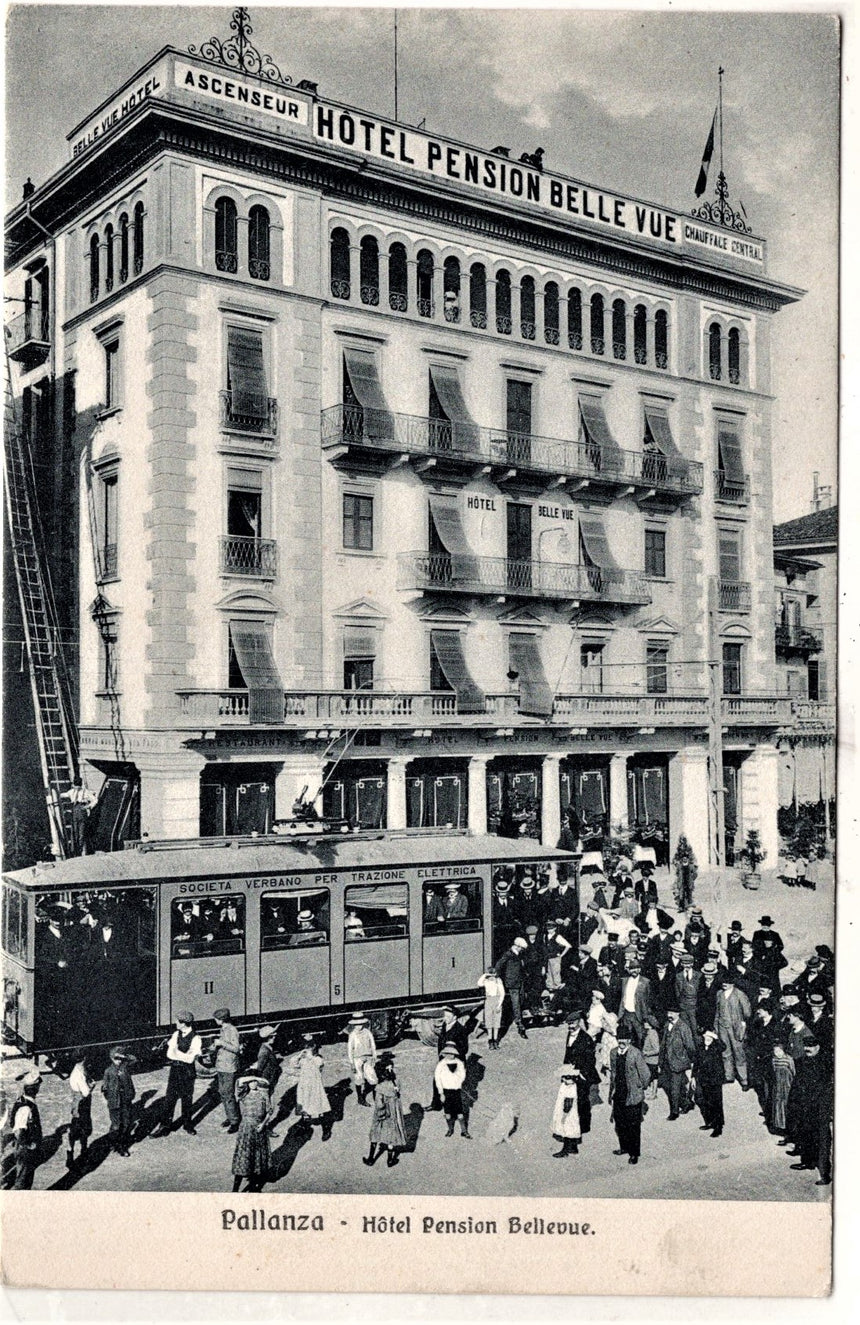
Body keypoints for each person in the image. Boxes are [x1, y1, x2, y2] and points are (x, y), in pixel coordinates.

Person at [789, 1038, 833, 1185]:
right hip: (804, 1106)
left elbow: (828, 1087)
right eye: (806, 1046)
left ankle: (825, 1174)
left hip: (820, 1108)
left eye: (811, 1046)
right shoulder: (801, 1061)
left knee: (822, 1140)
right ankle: (807, 1162)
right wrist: (793, 1102)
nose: (808, 1048)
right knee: (805, 1134)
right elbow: (796, 1083)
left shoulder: (826, 1063)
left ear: (818, 1047)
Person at [153, 1012, 202, 1136]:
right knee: (170, 1098)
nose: (175, 1023)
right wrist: (181, 1055)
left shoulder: (196, 1038)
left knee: (187, 1099)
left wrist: (176, 1053)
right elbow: (169, 1054)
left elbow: (190, 1059)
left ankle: (188, 1125)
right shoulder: (176, 1034)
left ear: (184, 1023)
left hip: (187, 1072)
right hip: (175, 1070)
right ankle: (164, 1126)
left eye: (178, 1021)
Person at [608, 1025, 651, 1165]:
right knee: (620, 1124)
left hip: (632, 1095)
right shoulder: (613, 1053)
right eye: (619, 1038)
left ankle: (634, 1153)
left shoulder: (635, 1053)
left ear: (629, 1040)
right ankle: (624, 1147)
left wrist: (640, 1087)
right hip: (619, 1094)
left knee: (633, 1126)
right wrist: (611, 1092)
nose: (622, 1041)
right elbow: (613, 1073)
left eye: (625, 1038)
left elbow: (646, 1074)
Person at [231, 1074, 274, 1193]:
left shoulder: (263, 1094)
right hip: (246, 1128)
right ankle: (235, 1189)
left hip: (260, 1128)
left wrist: (263, 1124)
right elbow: (239, 1082)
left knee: (257, 1157)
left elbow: (269, 1112)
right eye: (251, 1082)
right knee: (244, 1155)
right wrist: (250, 1077)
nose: (253, 1084)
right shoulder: (243, 1095)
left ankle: (255, 1186)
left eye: (255, 1082)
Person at [562, 1008, 600, 1138]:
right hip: (572, 1072)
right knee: (572, 1098)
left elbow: (591, 1059)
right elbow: (567, 1053)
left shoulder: (586, 1038)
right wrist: (565, 1070)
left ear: (578, 1022)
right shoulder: (570, 1034)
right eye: (569, 1024)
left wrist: (582, 1073)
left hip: (583, 1074)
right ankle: (575, 1122)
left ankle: (584, 1126)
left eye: (572, 1024)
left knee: (583, 1100)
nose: (570, 1026)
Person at [364, 1060, 407, 1167]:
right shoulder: (396, 1083)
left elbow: (379, 1104)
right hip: (394, 1113)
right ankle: (390, 1160)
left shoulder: (380, 1088)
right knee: (391, 1136)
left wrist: (381, 1114)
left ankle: (371, 1158)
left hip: (383, 1114)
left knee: (376, 1134)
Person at [290, 1034, 332, 1140]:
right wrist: (299, 1056)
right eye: (305, 1047)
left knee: (319, 1108)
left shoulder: (318, 1059)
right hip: (304, 1086)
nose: (307, 1049)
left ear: (315, 1047)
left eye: (310, 1047)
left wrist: (310, 1057)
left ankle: (326, 1130)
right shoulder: (303, 1059)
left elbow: (318, 1064)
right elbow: (293, 1064)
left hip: (314, 1086)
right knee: (305, 1107)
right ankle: (304, 1128)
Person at [658, 1007, 696, 1119]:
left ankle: (674, 1112)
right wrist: (660, 1062)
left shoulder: (683, 1027)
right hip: (667, 1062)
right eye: (668, 1012)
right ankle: (686, 1104)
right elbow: (663, 1045)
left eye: (672, 1013)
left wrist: (691, 1061)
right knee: (670, 1086)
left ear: (678, 1014)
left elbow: (690, 1046)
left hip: (678, 1062)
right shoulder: (667, 1025)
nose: (669, 1015)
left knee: (674, 1088)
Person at [7, 1068, 43, 1189]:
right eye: (38, 1085)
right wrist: (27, 1145)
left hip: (24, 1147)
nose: (39, 1088)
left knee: (26, 1178)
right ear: (34, 1088)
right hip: (24, 1149)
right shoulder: (26, 1108)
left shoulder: (24, 1100)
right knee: (23, 1180)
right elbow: (18, 1130)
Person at [714, 978, 750, 1089]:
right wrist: (716, 1027)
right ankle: (729, 1076)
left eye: (727, 982)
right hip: (722, 1027)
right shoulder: (719, 994)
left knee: (739, 1052)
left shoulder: (740, 994)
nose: (724, 984)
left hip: (735, 1029)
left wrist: (741, 1024)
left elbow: (747, 1012)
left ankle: (744, 1079)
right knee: (725, 1052)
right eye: (723, 982)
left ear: (733, 983)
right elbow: (717, 1011)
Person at [210, 1008, 241, 1134]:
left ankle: (235, 1121)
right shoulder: (223, 1029)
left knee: (228, 1094)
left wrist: (221, 1043)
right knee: (223, 1093)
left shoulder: (232, 1030)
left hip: (229, 1067)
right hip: (222, 1066)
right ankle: (230, 1116)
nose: (215, 1021)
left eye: (216, 1019)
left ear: (222, 1019)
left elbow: (236, 1048)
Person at [102, 1045, 136, 1155]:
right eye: (116, 1059)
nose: (119, 1061)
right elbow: (104, 1087)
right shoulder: (108, 1071)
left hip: (125, 1100)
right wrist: (109, 1099)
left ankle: (121, 1145)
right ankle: (115, 1144)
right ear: (111, 1058)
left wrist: (123, 1055)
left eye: (121, 1059)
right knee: (116, 1125)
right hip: (114, 1102)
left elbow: (134, 1059)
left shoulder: (125, 1067)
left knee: (126, 1123)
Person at [494, 937, 530, 1038]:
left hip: (520, 981)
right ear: (517, 946)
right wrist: (495, 975)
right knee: (516, 1002)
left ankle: (517, 1017)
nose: (522, 950)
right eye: (521, 948)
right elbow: (499, 964)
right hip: (512, 982)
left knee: (521, 999)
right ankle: (519, 1023)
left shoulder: (518, 954)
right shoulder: (508, 954)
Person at [434, 1044, 471, 1138]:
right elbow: (437, 1078)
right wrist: (441, 1093)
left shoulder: (459, 1063)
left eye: (451, 1054)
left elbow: (462, 1075)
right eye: (447, 1053)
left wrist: (457, 1083)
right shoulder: (441, 1064)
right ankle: (450, 1129)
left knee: (460, 1112)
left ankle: (464, 1131)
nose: (449, 1055)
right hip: (446, 1091)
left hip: (456, 1091)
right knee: (448, 1112)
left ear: (454, 1054)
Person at [695, 1028, 726, 1137]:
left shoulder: (716, 1047)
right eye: (705, 1037)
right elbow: (696, 1063)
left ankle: (718, 1126)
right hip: (704, 1079)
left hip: (715, 1080)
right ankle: (710, 1122)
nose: (707, 1039)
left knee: (716, 1103)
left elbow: (723, 1046)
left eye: (709, 1038)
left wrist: (716, 1037)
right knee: (706, 1101)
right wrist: (693, 1077)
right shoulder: (700, 1047)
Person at [66, 1051, 95, 1168]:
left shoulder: (77, 1071)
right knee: (83, 1129)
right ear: (83, 1059)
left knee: (76, 1129)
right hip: (82, 1104)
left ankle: (72, 1155)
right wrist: (92, 1086)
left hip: (77, 1104)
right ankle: (82, 1155)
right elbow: (86, 1092)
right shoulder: (79, 1074)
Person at [617, 959, 652, 1047]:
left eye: (636, 968)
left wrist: (646, 1015)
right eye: (632, 968)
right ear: (628, 970)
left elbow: (648, 999)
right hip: (626, 1013)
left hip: (638, 1014)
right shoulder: (624, 981)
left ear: (640, 969)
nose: (634, 971)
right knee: (627, 1036)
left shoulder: (645, 981)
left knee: (641, 1037)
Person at [347, 1012, 378, 1105]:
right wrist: (351, 1062)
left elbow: (373, 1045)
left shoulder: (368, 1032)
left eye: (360, 1024)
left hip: (368, 1057)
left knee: (372, 1077)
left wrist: (374, 1056)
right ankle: (360, 1098)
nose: (358, 1026)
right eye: (356, 1024)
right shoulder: (352, 1035)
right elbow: (350, 1049)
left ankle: (375, 1098)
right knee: (359, 1078)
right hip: (357, 1058)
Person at [551, 1071, 582, 1158]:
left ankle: (565, 1150)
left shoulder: (570, 1088)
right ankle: (573, 1148)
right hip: (571, 1113)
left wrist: (564, 1115)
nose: (563, 1079)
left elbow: (568, 1103)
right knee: (571, 1129)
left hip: (568, 1114)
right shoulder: (568, 1086)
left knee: (566, 1130)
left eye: (566, 1077)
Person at [770, 1043, 795, 1138]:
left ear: (783, 1050)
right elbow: (774, 1071)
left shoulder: (789, 1059)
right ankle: (780, 1126)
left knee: (786, 1105)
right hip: (778, 1086)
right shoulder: (774, 1060)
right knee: (778, 1105)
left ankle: (787, 1127)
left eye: (779, 1051)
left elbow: (793, 1072)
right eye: (775, 1051)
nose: (777, 1053)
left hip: (787, 1086)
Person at [477, 968, 505, 1050]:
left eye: (493, 974)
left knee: (496, 1021)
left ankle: (495, 1040)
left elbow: (502, 993)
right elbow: (479, 983)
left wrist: (499, 1005)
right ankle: (490, 1041)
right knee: (488, 1021)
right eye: (490, 974)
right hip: (488, 1000)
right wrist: (485, 975)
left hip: (496, 1000)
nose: (492, 976)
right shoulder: (486, 981)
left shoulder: (498, 981)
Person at [696, 961, 723, 1033]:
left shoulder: (718, 985)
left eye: (710, 975)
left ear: (714, 975)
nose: (707, 977)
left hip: (713, 1015)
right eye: (705, 974)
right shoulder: (701, 983)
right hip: (703, 1015)